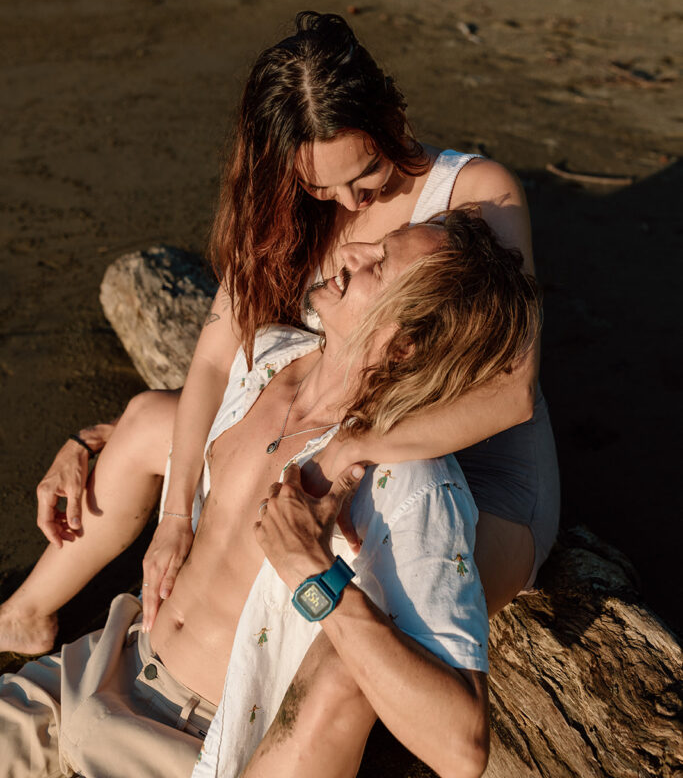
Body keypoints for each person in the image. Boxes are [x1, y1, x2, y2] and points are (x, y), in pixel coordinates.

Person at [0, 12, 559, 656]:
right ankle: (25, 614)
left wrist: (351, 449)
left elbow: (511, 393)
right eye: (322, 185)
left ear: (391, 118)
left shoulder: (477, 192)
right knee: (150, 419)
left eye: (368, 171)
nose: (350, 203)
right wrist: (175, 517)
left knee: (333, 593)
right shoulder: (289, 209)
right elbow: (212, 363)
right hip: (327, 432)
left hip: (472, 478)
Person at [0, 212, 539, 778]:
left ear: (404, 344)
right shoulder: (272, 359)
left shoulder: (409, 486)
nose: (351, 252)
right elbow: (168, 421)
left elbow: (462, 748)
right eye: (373, 245)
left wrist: (316, 575)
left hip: (192, 744)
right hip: (98, 666)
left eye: (379, 265)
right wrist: (84, 441)